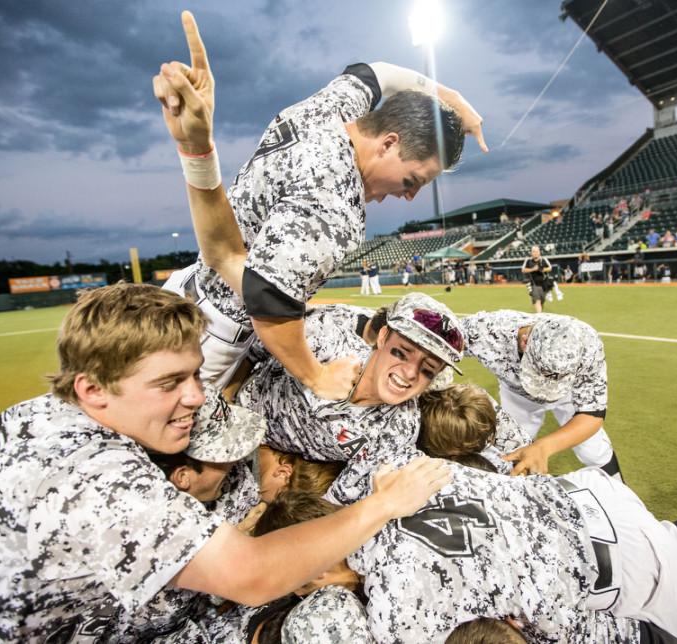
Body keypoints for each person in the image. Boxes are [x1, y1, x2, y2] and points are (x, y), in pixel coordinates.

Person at [0, 283, 450, 642]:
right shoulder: (88, 482)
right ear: (93, 388)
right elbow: (251, 575)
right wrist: (382, 505)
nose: (194, 396)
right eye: (170, 383)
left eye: (194, 375)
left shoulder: (43, 414)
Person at [155, 11, 486, 399]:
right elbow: (269, 300)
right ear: (389, 142)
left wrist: (449, 97)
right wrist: (315, 375)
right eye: (411, 180)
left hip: (181, 292)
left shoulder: (332, 111)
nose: (408, 195)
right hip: (211, 337)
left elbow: (378, 73)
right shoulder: (337, 208)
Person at [254, 470, 677, 644]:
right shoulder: (395, 478)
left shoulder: (395, 604)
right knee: (666, 544)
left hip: (608, 565)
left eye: (303, 584)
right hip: (594, 497)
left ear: (319, 568)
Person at [236, 293, 466, 505]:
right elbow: (254, 347)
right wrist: (226, 397)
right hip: (232, 415)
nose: (410, 373)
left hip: (265, 459)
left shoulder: (398, 431)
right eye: (402, 352)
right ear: (383, 337)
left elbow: (335, 502)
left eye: (427, 370)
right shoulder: (329, 338)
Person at [462, 310, 622, 477]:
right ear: (525, 342)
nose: (544, 396)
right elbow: (440, 341)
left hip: (568, 394)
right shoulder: (486, 331)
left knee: (594, 450)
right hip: (517, 395)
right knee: (513, 451)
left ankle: (620, 494)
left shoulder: (587, 344)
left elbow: (592, 415)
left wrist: (544, 446)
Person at [521, 245, 552, 313]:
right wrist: (533, 269)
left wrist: (542, 269)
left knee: (542, 301)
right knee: (537, 300)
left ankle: (539, 313)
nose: (535, 253)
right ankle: (539, 317)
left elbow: (550, 268)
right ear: (531, 253)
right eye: (533, 251)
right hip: (533, 284)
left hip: (544, 284)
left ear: (539, 252)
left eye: (537, 251)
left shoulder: (544, 259)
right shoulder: (528, 260)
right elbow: (523, 270)